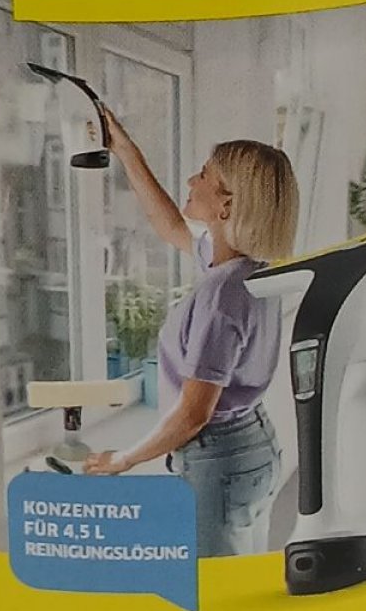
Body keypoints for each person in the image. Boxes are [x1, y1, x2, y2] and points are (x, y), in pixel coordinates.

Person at [82, 123, 301, 557]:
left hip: (218, 461)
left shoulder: (222, 296)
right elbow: (169, 226)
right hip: (251, 448)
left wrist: (124, 459)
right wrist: (126, 149)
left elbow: (194, 414)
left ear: (227, 204)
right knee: (238, 579)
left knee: (213, 588)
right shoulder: (250, 270)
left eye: (203, 174)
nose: (190, 181)